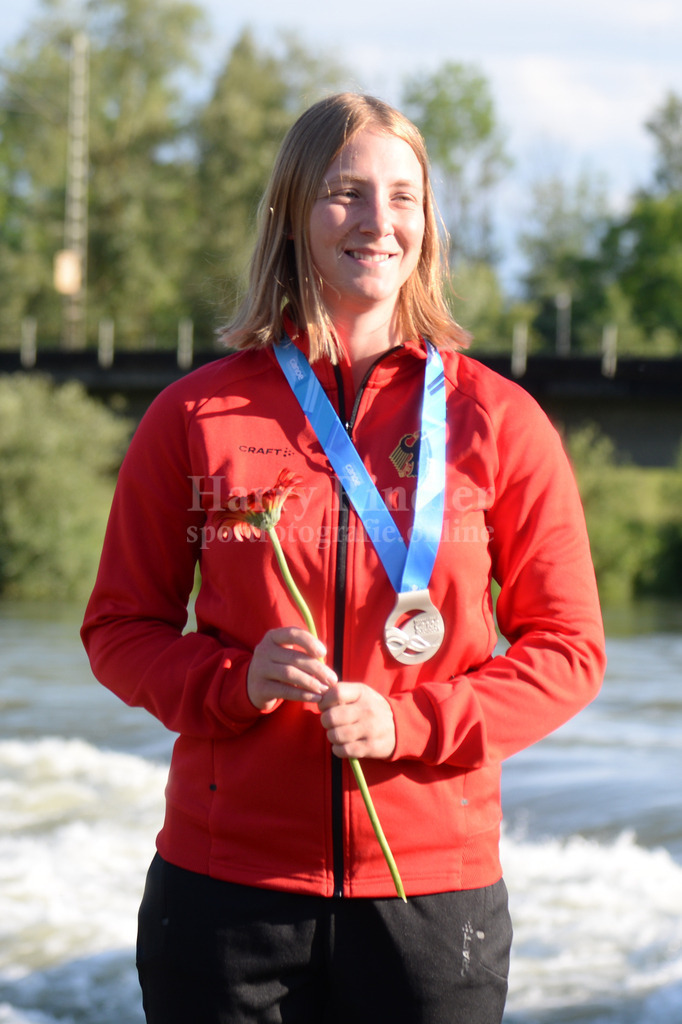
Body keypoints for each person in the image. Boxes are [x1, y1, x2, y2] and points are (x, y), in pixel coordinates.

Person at [81, 92, 606, 1024]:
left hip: (432, 901)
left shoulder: (500, 423)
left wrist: (412, 723)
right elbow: (120, 629)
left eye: (403, 197)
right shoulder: (197, 417)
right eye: (346, 193)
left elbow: (568, 651)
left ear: (428, 224)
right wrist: (236, 682)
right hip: (224, 899)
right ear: (291, 214)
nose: (378, 221)